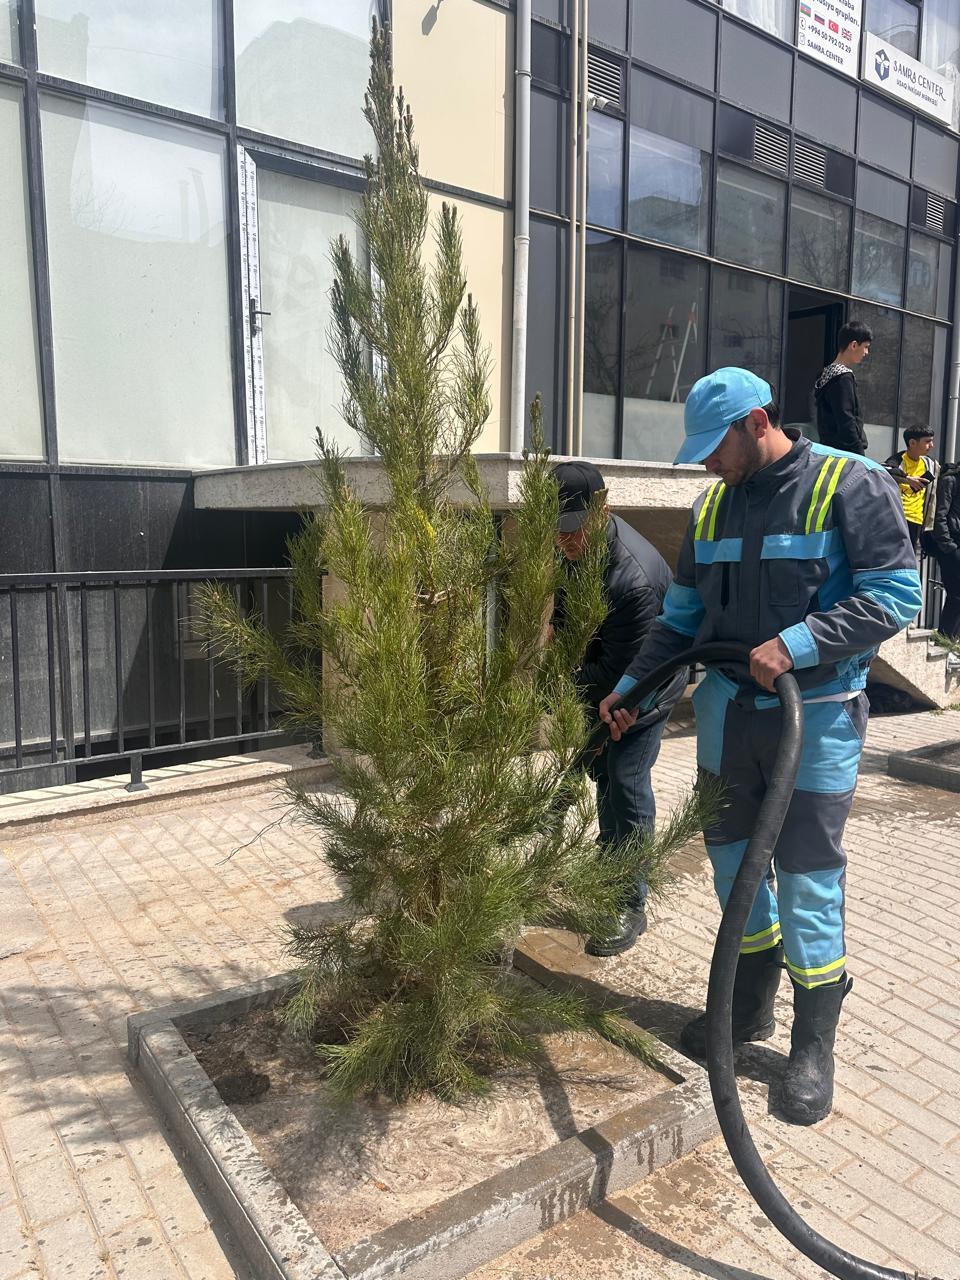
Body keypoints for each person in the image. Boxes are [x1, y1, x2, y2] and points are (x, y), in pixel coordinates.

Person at [598, 368, 920, 1126]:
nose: (707, 463)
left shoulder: (850, 484)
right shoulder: (712, 510)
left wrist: (802, 641)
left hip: (815, 715)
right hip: (725, 713)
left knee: (807, 877)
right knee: (732, 865)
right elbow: (679, 622)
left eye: (716, 446)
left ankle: (814, 1043)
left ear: (755, 421)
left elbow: (896, 596)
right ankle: (748, 1007)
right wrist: (631, 686)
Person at [552, 461, 686, 957]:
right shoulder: (574, 547)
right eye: (558, 530)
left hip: (643, 689)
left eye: (573, 529)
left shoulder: (634, 579)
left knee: (625, 780)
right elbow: (565, 613)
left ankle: (630, 901)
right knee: (603, 774)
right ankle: (607, 869)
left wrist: (559, 674)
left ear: (602, 508)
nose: (565, 541)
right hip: (604, 677)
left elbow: (619, 675)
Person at [813, 320, 873, 454]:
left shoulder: (825, 375)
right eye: (865, 346)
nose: (866, 352)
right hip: (846, 452)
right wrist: (859, 452)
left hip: (829, 448)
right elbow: (846, 419)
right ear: (853, 345)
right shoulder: (843, 377)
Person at [884, 426, 938, 556]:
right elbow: (884, 470)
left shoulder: (930, 464)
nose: (931, 445)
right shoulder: (897, 461)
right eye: (927, 441)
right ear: (912, 443)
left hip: (918, 521)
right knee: (895, 556)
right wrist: (907, 479)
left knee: (909, 558)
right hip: (898, 517)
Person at [932, 460, 960, 647]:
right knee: (956, 595)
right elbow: (939, 515)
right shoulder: (951, 481)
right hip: (952, 545)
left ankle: (949, 641)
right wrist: (948, 545)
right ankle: (943, 640)